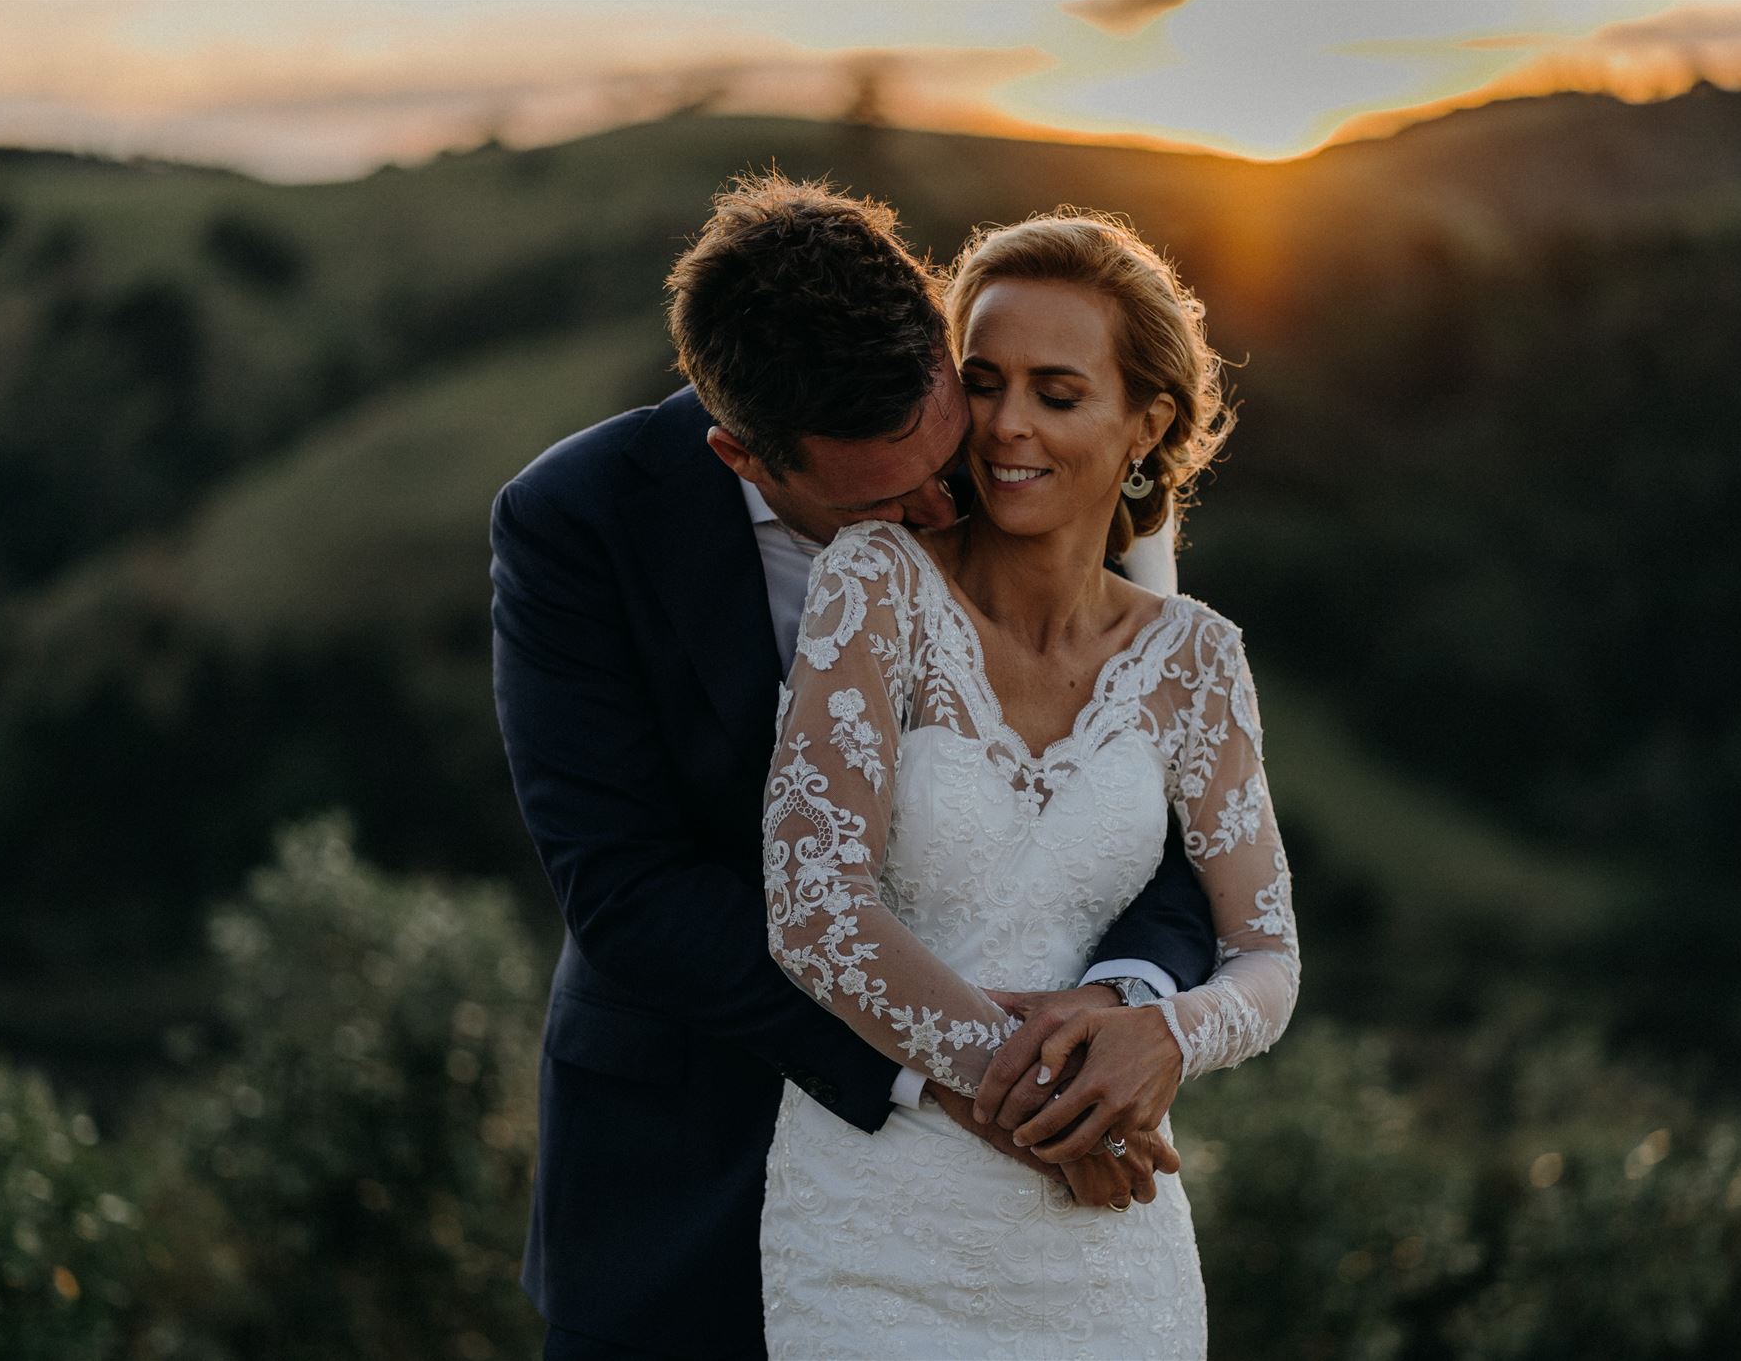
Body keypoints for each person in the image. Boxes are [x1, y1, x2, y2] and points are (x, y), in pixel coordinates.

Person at [488, 175, 1219, 1359]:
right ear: (741, 455)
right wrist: (961, 1065)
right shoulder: (576, 523)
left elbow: (1168, 821)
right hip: (687, 1160)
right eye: (888, 500)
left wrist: (1130, 1001)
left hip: (1024, 1177)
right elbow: (627, 888)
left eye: (946, 457)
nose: (949, 502)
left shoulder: (1035, 455)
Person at [759, 210, 1300, 1357]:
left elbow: (1266, 956)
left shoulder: (1196, 660)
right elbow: (813, 910)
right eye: (985, 382)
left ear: (1143, 423)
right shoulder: (875, 583)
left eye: (1056, 394)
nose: (1007, 425)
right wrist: (1036, 1103)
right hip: (879, 1230)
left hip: (1108, 1241)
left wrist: (1162, 1033)